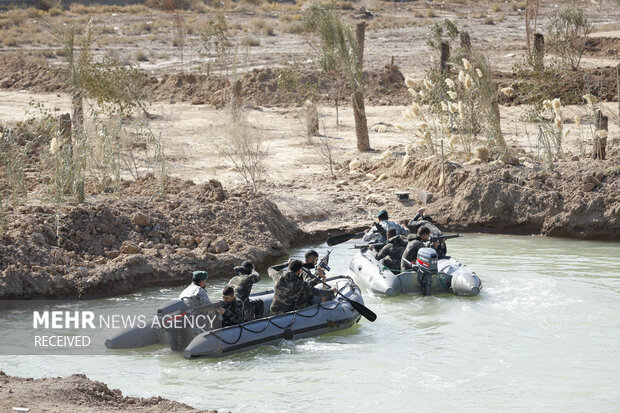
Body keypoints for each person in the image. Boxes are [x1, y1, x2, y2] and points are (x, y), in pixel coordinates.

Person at [270, 260, 335, 315]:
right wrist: (332, 290)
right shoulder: (301, 284)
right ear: (299, 271)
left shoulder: (277, 277)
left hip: (273, 312)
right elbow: (318, 293)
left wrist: (286, 264)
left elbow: (270, 268)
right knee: (306, 296)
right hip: (286, 315)